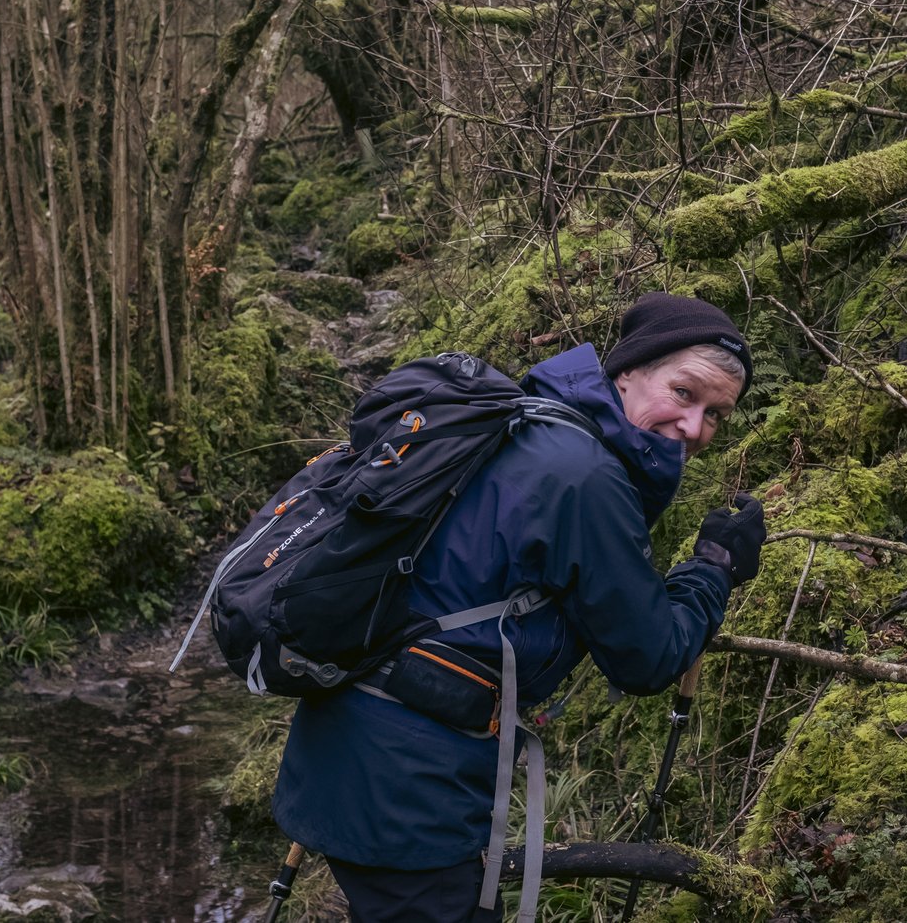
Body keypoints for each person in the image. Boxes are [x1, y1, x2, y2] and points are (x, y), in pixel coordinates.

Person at [271, 292, 769, 922]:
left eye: (715, 414)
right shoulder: (584, 477)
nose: (694, 428)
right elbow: (648, 657)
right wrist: (713, 569)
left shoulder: (534, 425)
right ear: (627, 372)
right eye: (683, 392)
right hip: (407, 788)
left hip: (355, 745)